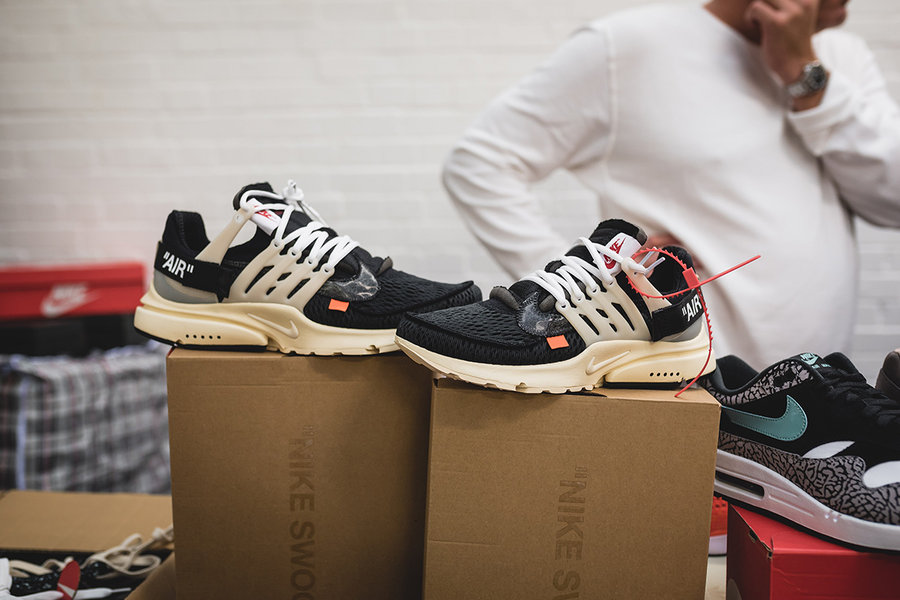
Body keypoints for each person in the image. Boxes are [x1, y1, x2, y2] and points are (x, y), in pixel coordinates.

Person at [441, 0, 900, 369]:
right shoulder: (627, 48)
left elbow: (892, 200)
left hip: (822, 391)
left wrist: (806, 76)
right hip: (693, 384)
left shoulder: (841, 56)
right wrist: (582, 291)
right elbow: (479, 163)